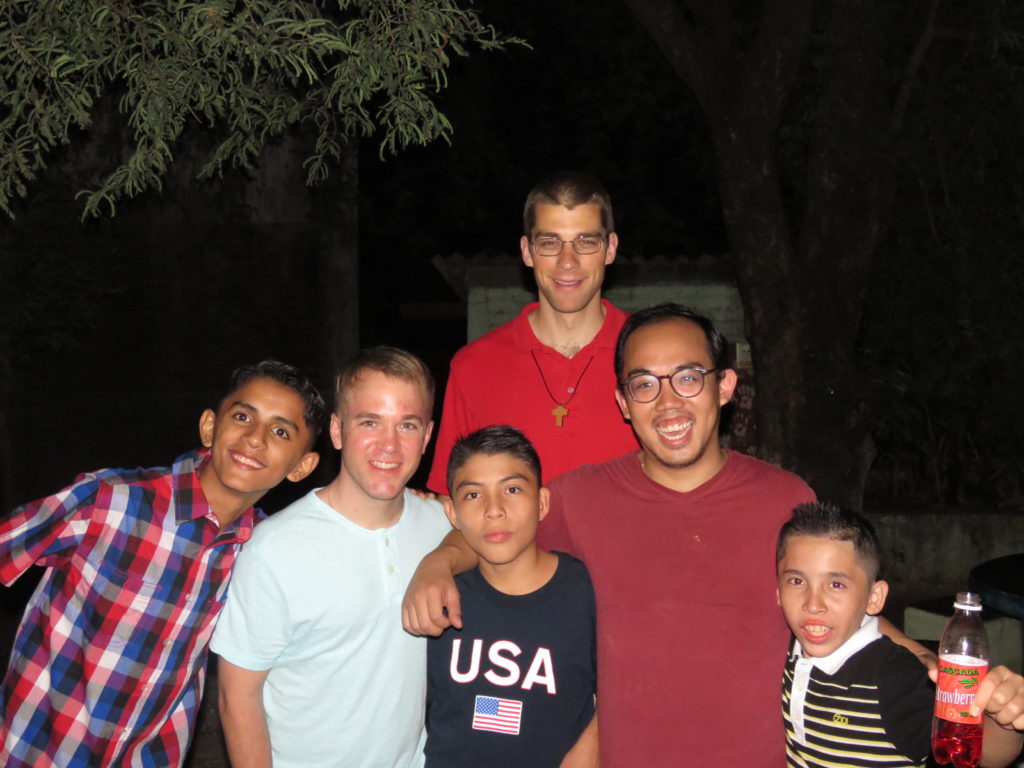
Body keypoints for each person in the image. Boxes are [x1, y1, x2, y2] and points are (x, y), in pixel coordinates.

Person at [405, 303, 931, 766]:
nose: (668, 402)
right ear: (623, 402)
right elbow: (496, 523)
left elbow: (840, 600)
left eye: (687, 377)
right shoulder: (582, 497)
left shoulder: (783, 497)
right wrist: (439, 563)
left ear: (724, 386)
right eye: (645, 384)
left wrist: (921, 659)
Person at [0, 360, 324, 768]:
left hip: (149, 756)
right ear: (210, 426)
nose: (255, 438)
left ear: (301, 466)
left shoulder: (263, 553)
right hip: (40, 749)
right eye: (243, 416)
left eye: (280, 431)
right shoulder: (111, 500)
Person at [212, 347, 452, 768]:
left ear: (428, 436)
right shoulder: (274, 548)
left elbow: (481, 540)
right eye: (370, 422)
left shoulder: (442, 525)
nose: (390, 446)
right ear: (338, 432)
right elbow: (237, 696)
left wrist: (442, 559)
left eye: (407, 425)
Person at [426, 171, 636, 494]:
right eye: (550, 242)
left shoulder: (649, 354)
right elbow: (449, 502)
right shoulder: (473, 367)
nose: (568, 261)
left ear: (610, 249)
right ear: (527, 251)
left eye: (586, 242)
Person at [777, 502, 1024, 767]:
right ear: (778, 592)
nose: (813, 604)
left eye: (836, 584)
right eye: (796, 581)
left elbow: (988, 755)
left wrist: (1004, 721)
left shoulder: (895, 677)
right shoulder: (784, 649)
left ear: (874, 598)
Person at [425, 426, 597, 768]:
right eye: (473, 495)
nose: (494, 510)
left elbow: (621, 692)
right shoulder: (439, 596)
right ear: (452, 513)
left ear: (542, 502)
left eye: (513, 489)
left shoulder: (586, 592)